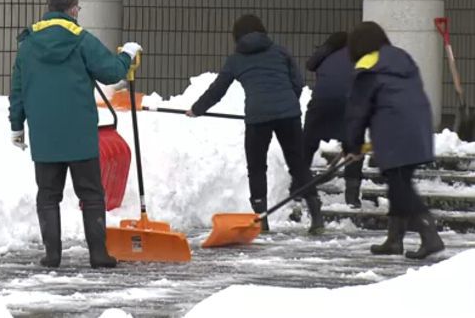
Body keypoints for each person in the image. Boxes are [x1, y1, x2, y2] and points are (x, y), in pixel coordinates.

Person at [9, 0, 142, 269]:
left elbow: (18, 89)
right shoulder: (81, 39)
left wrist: (16, 126)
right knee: (91, 194)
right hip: (79, 134)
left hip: (44, 135)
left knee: (47, 195)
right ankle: (98, 254)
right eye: (78, 9)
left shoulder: (28, 43)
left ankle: (52, 255)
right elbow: (111, 72)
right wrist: (128, 54)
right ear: (72, 9)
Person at [186, 14, 324, 234]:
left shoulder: (236, 59)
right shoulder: (279, 51)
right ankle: (317, 216)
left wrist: (197, 109)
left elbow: (218, 90)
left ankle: (262, 220)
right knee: (297, 163)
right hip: (289, 115)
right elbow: (297, 82)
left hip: (257, 118)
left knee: (257, 167)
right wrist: (287, 104)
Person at [343, 21, 444, 259]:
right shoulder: (401, 58)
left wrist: (352, 145)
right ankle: (394, 240)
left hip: (394, 133)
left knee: (401, 188)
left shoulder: (369, 66)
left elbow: (358, 111)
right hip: (417, 129)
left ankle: (430, 236)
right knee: (398, 185)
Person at [303, 32, 364, 208]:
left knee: (307, 144)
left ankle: (299, 188)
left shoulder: (325, 54)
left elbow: (310, 65)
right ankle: (352, 197)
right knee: (354, 147)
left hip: (321, 103)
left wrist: (326, 48)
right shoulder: (359, 54)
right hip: (350, 105)